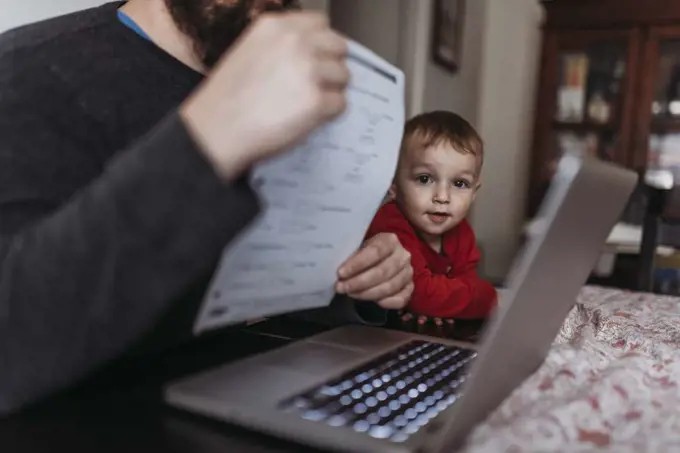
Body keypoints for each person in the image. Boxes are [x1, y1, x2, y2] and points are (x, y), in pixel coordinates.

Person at [0, 0, 414, 415]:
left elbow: (251, 288)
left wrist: (356, 281)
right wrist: (208, 138)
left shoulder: (286, 90)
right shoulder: (25, 70)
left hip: (243, 408)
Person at [365, 111, 497, 319]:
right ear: (393, 185)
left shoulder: (461, 232)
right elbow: (421, 294)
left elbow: (466, 285)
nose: (443, 197)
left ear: (473, 193)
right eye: (425, 179)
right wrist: (490, 297)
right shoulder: (389, 227)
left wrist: (443, 304)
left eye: (459, 183)